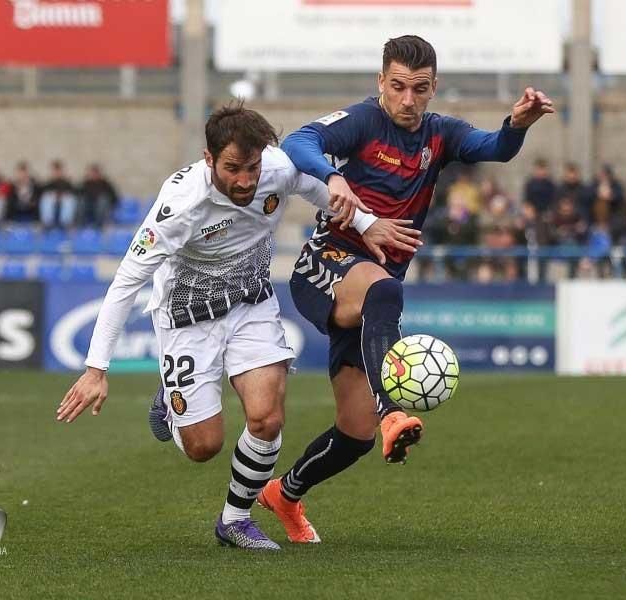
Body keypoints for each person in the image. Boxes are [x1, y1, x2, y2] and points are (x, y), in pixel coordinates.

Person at [55, 104, 406, 551]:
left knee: (267, 417)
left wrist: (365, 224)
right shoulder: (180, 206)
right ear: (209, 159)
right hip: (186, 319)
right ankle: (170, 398)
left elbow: (319, 190)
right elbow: (127, 281)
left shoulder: (277, 168)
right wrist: (95, 368)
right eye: (233, 168)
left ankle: (235, 519)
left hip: (250, 305)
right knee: (204, 446)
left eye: (252, 167)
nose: (245, 180)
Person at [260, 35, 553, 544]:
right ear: (381, 83)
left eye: (419, 89)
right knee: (387, 294)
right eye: (397, 87)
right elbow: (298, 142)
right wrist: (334, 178)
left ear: (433, 88)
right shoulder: (362, 121)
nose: (407, 99)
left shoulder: (440, 135)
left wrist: (517, 125)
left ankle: (283, 495)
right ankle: (392, 409)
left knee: (353, 435)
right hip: (323, 268)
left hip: (370, 292)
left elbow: (494, 148)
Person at [39, 160, 78, 229]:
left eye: (58, 171)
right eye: (55, 171)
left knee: (69, 199)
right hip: (52, 201)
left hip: (64, 201)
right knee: (46, 198)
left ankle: (66, 222)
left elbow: (73, 192)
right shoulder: (49, 183)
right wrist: (54, 196)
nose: (57, 173)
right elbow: (43, 192)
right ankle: (47, 221)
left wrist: (62, 196)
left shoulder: (67, 183)